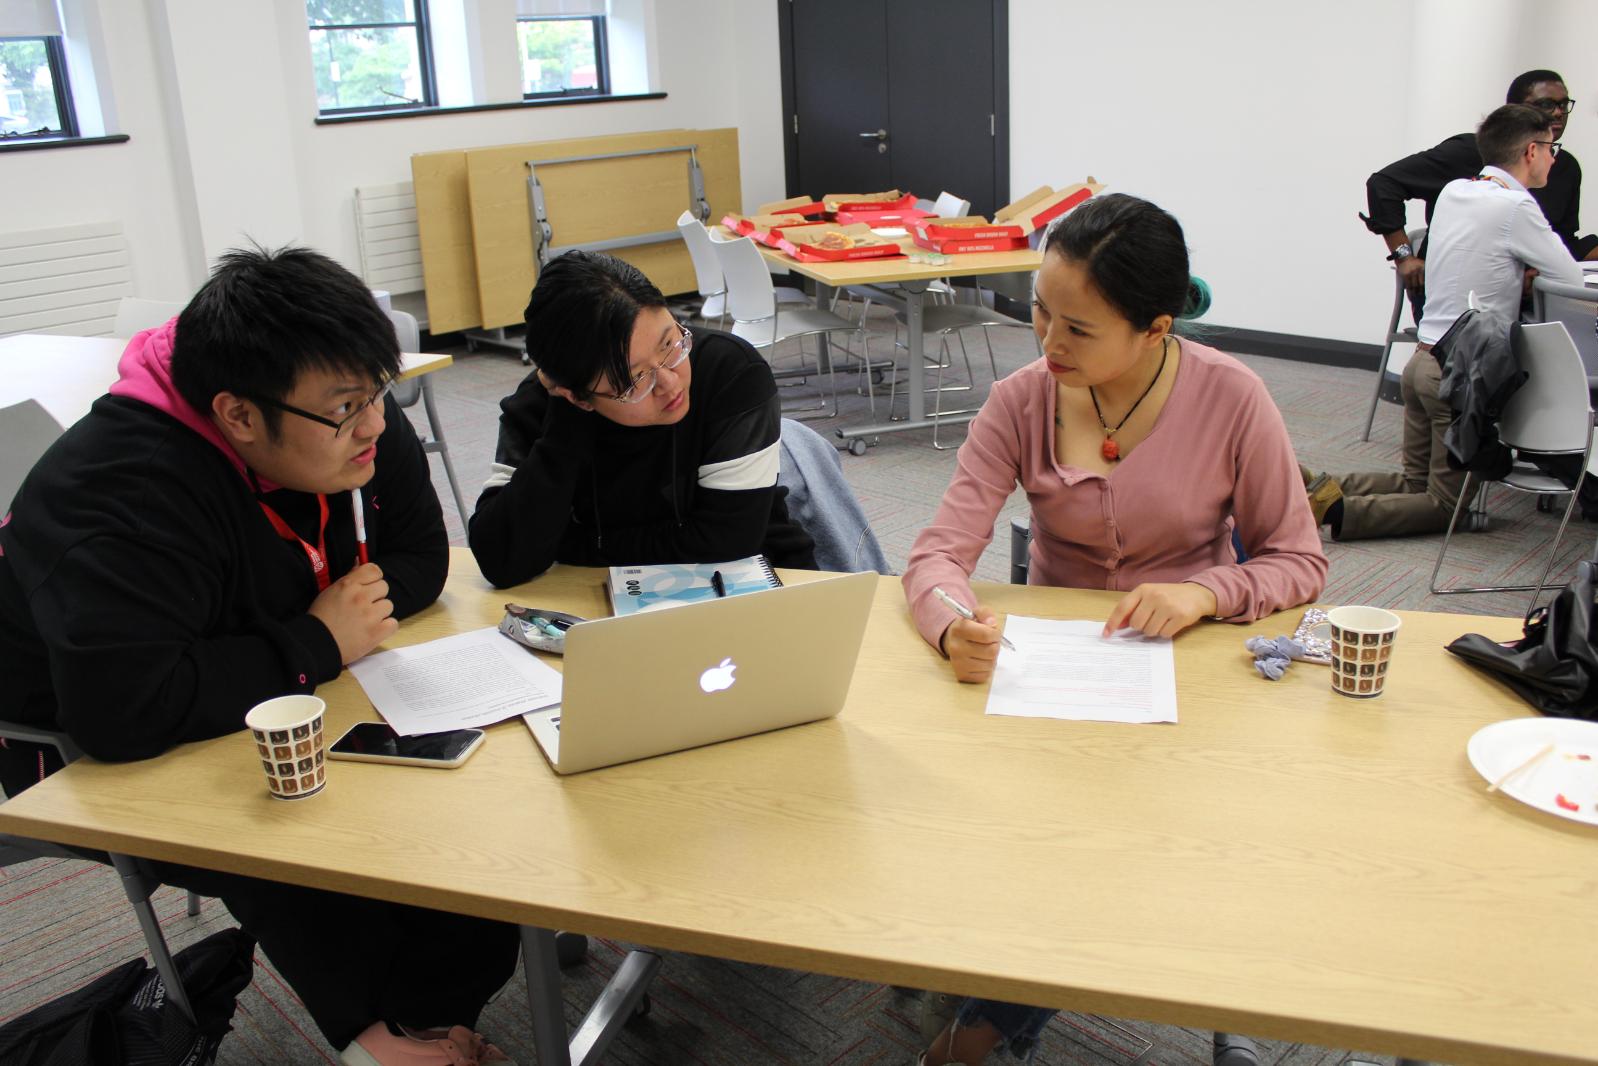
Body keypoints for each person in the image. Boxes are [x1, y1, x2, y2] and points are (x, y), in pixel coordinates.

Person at [0, 247, 521, 1066]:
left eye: (378, 393)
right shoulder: (122, 492)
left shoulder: (338, 414)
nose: (376, 425)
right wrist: (316, 639)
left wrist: (317, 636)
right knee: (297, 820)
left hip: (258, 675)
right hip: (77, 749)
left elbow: (421, 554)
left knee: (462, 815)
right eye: (347, 408)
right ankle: (385, 1034)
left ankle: (418, 1020)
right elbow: (124, 713)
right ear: (239, 416)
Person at [899, 194, 1325, 1065]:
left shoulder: (1232, 397)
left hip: (1191, 674)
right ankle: (1007, 985)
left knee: (1137, 836)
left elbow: (1298, 562)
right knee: (1043, 827)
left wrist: (1206, 592)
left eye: (1078, 330)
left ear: (1156, 329)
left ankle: (1006, 1015)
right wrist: (951, 626)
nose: (1048, 343)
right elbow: (938, 554)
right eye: (1039, 312)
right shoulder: (1023, 401)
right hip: (1052, 678)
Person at [1311, 104, 1583, 541]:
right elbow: (1569, 277)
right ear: (1531, 151)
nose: (1555, 158)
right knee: (1445, 505)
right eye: (1553, 149)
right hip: (1456, 376)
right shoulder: (1517, 206)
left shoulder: (1456, 191)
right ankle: (1328, 509)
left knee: (1414, 483)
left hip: (1420, 364)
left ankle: (1306, 486)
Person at [469, 249, 815, 587]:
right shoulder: (543, 404)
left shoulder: (729, 372)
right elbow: (501, 560)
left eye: (669, 345)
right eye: (633, 380)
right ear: (576, 396)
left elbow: (727, 541)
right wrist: (565, 427)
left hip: (761, 583)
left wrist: (567, 545)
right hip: (600, 598)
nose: (669, 383)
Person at [1362, 69, 1596, 321]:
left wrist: (1539, 268)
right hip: (1467, 306)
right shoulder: (1476, 161)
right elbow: (1383, 183)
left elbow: (1561, 238)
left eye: (1563, 105)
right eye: (1547, 104)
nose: (1558, 112)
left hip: (1517, 295)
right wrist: (1404, 256)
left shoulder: (1565, 167)